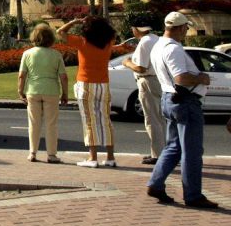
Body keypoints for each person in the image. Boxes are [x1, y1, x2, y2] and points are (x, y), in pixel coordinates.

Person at [146, 11, 218, 208]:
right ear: (178, 28)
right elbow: (181, 78)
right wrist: (201, 78)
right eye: (186, 27)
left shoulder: (158, 46)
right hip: (185, 101)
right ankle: (193, 195)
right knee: (191, 151)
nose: (187, 30)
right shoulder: (173, 49)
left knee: (174, 147)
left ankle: (156, 183)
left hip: (170, 98)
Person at [56, 16, 117, 168]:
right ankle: (110, 157)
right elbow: (113, 33)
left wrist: (74, 21)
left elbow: (60, 32)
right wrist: (102, 24)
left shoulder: (82, 42)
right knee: (106, 120)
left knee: (89, 121)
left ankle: (93, 157)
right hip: (103, 84)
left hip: (86, 84)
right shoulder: (109, 42)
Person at [18, 23, 68, 164]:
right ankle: (51, 155)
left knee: (34, 123)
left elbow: (22, 75)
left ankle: (33, 153)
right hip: (51, 91)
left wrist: (20, 91)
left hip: (33, 90)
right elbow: (63, 77)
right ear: (50, 38)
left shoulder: (27, 54)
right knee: (51, 124)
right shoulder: (56, 55)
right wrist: (65, 94)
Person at [121, 21, 165, 165]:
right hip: (158, 80)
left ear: (136, 29)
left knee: (151, 119)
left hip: (147, 80)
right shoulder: (156, 39)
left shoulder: (145, 42)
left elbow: (141, 68)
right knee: (160, 119)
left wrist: (127, 62)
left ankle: (158, 154)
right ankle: (162, 151)